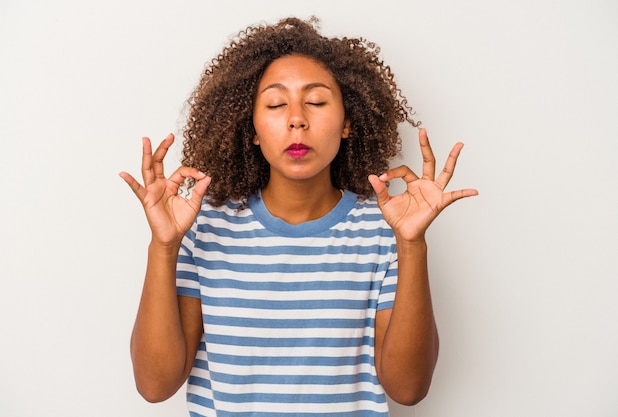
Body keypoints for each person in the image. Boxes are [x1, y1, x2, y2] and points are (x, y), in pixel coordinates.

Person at [120, 16, 478, 417]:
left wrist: (411, 244)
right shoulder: (203, 226)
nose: (296, 119)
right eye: (275, 103)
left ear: (346, 123)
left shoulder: (384, 229)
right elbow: (154, 386)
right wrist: (163, 247)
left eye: (317, 101)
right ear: (251, 127)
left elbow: (408, 389)